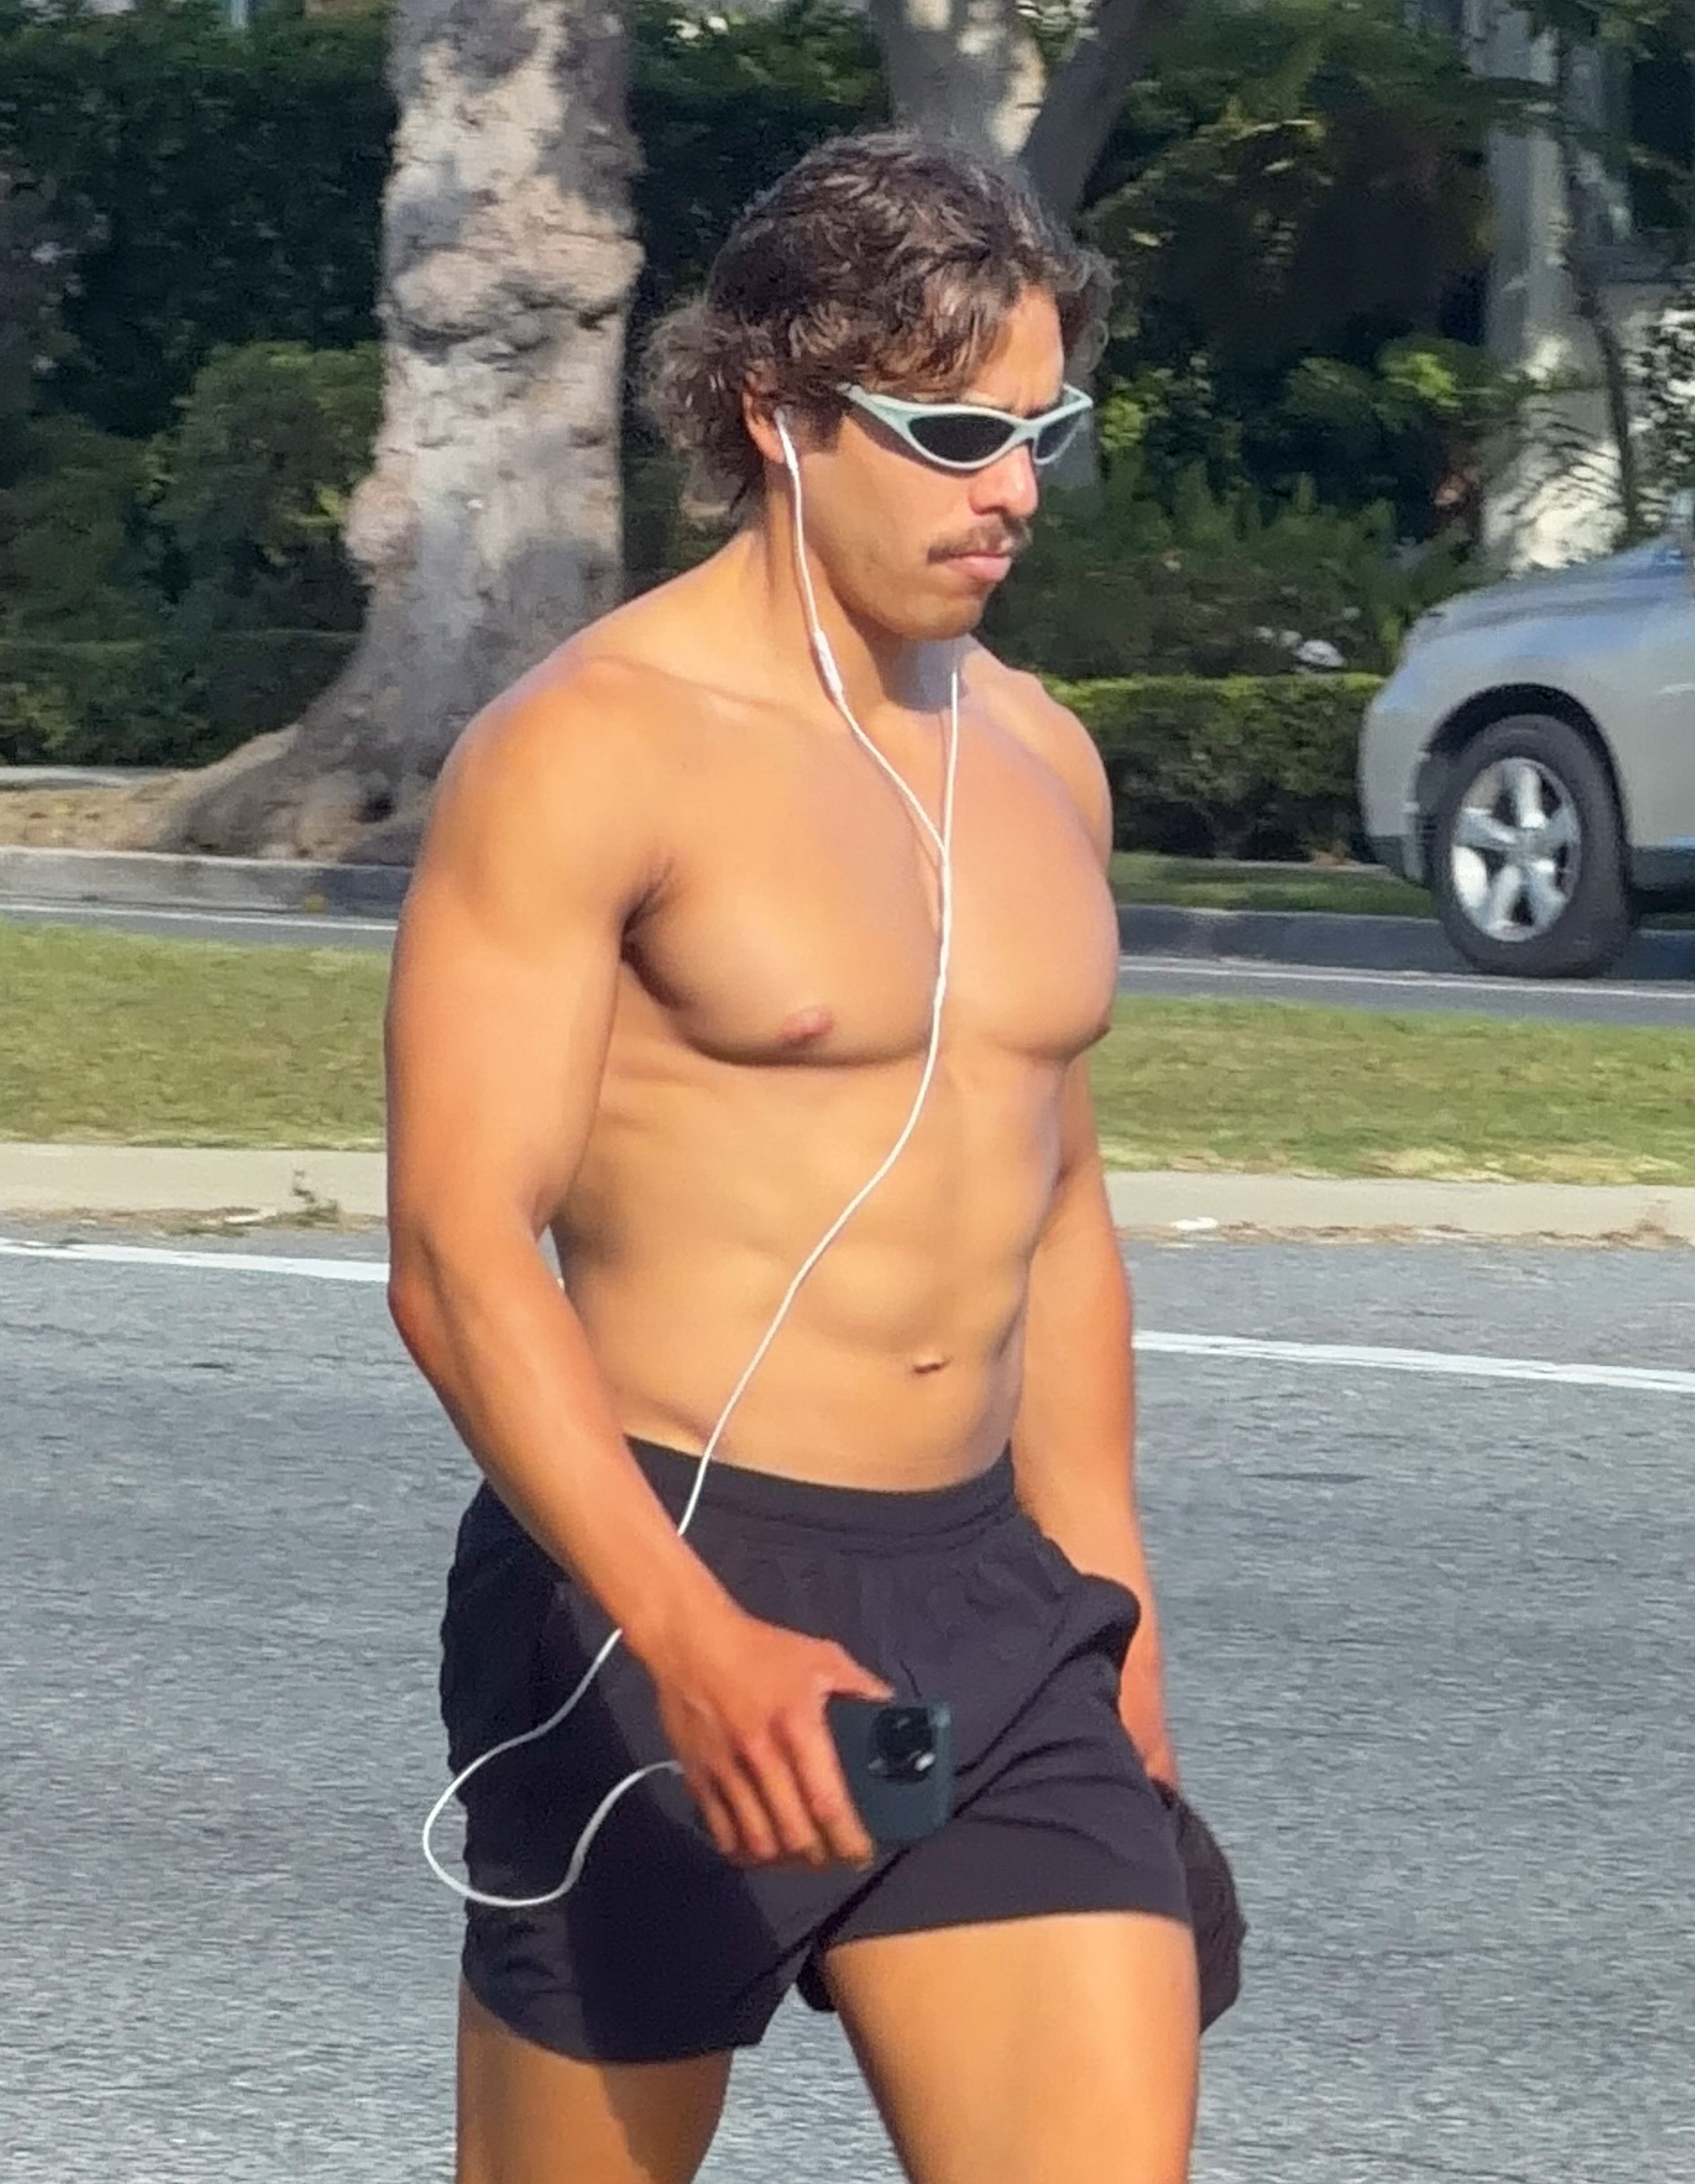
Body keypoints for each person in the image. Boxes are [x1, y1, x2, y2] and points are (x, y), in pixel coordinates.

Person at [386, 128, 1204, 2184]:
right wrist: (689, 1635)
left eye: (1043, 430)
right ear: (778, 406)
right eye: (950, 433)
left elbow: (1058, 1201)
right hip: (651, 1575)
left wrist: (1116, 1600)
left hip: (991, 1602)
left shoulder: (1039, 751)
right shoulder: (591, 748)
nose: (1011, 488)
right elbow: (456, 1252)